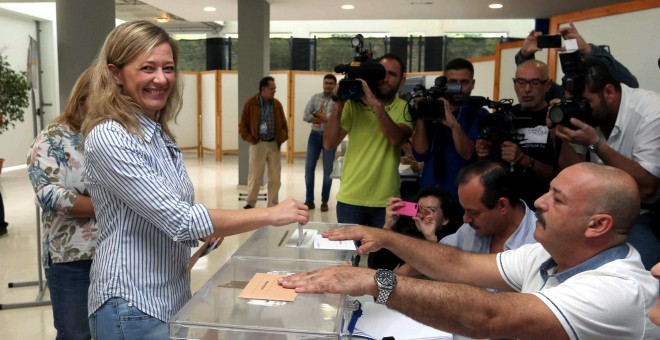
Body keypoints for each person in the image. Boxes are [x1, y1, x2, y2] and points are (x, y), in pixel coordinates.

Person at [81, 21, 308, 339]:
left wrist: (210, 228)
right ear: (116, 73)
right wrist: (270, 214)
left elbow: (168, 210)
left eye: (168, 68)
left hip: (169, 295)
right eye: (147, 68)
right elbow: (180, 220)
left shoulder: (156, 133)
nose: (161, 79)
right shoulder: (110, 136)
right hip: (132, 303)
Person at [280, 163, 660, 339]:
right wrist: (389, 236)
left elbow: (489, 315)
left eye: (556, 199)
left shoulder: (616, 291)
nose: (540, 202)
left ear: (597, 225)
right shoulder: (547, 254)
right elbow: (459, 263)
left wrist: (373, 280)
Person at [553, 57, 660, 270]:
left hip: (646, 211)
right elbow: (574, 173)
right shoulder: (592, 115)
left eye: (585, 103)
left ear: (609, 92)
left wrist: (595, 143)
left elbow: (648, 188)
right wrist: (559, 135)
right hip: (597, 208)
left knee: (627, 267)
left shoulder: (650, 112)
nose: (580, 110)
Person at [323, 53, 413, 269]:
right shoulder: (353, 106)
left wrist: (375, 105)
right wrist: (338, 104)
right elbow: (329, 143)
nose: (386, 79)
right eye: (381, 73)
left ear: (402, 79)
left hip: (387, 203)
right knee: (346, 263)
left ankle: (378, 303)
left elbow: (395, 138)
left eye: (392, 74)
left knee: (382, 265)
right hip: (350, 199)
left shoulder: (404, 107)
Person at [26, 68, 96, 340]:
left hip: (115, 255)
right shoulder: (53, 137)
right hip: (72, 259)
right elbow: (49, 195)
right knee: (76, 334)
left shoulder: (117, 134)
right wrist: (110, 204)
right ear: (82, 97)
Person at [396, 160, 538, 277]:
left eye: (473, 212)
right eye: (464, 210)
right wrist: (391, 280)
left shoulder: (540, 242)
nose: (465, 219)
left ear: (502, 205)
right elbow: (436, 257)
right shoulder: (469, 230)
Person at [476, 60, 556, 207]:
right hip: (504, 208)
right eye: (521, 82)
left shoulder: (555, 118)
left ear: (548, 85)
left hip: (543, 207)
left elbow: (562, 174)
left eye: (535, 82)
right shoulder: (501, 117)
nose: (527, 89)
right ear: (514, 84)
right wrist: (484, 152)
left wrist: (524, 160)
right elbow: (488, 171)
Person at [411, 58, 489, 209]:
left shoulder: (478, 113)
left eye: (464, 82)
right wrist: (422, 113)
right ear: (445, 83)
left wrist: (454, 126)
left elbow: (468, 155)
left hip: (461, 201)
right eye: (453, 82)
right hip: (428, 197)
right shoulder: (433, 109)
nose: (458, 88)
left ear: (472, 83)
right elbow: (419, 154)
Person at [514, 22, 638, 102]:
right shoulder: (562, 95)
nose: (527, 89)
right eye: (520, 82)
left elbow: (630, 85)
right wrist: (525, 56)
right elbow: (536, 84)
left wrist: (587, 50)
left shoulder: (597, 93)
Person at [383, 187, 461, 277]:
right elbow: (378, 266)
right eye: (419, 209)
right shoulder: (408, 234)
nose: (423, 214)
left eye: (431, 210)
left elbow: (446, 271)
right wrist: (387, 227)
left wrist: (430, 238)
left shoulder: (455, 239)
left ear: (445, 219)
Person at [239, 76, 289, 209]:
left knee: (275, 177)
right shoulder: (251, 103)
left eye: (275, 89)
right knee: (255, 176)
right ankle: (250, 202)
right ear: (263, 89)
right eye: (272, 89)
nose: (274, 91)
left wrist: (282, 136)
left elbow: (284, 124)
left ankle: (273, 204)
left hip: (274, 144)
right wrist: (250, 139)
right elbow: (242, 125)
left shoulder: (277, 104)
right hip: (258, 144)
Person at [302, 74, 337, 212]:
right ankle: (309, 200)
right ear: (323, 84)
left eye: (331, 83)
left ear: (335, 85)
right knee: (309, 168)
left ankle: (324, 201)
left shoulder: (337, 102)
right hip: (314, 136)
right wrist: (323, 117)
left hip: (330, 136)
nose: (328, 85)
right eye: (326, 83)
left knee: (328, 171)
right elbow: (305, 115)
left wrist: (316, 114)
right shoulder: (315, 97)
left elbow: (332, 119)